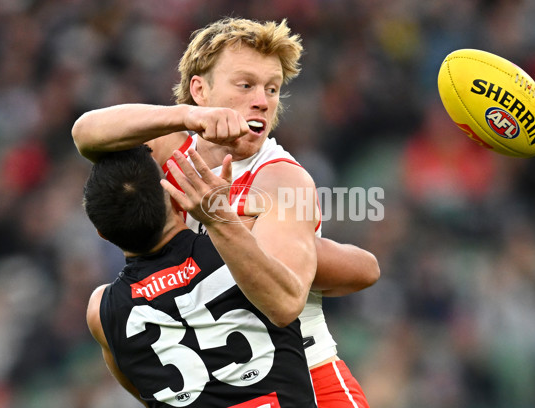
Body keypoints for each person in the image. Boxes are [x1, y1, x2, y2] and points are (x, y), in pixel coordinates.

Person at [73, 17, 377, 407]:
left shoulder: (278, 178)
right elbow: (85, 133)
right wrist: (184, 117)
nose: (263, 100)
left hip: (306, 376)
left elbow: (283, 304)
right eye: (245, 84)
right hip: (213, 382)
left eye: (272, 88)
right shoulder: (169, 147)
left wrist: (221, 220)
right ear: (199, 90)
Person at [84, 144, 318, 407]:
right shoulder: (247, 238)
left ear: (102, 234)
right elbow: (364, 270)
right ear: (174, 197)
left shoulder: (101, 312)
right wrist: (224, 216)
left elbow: (147, 392)